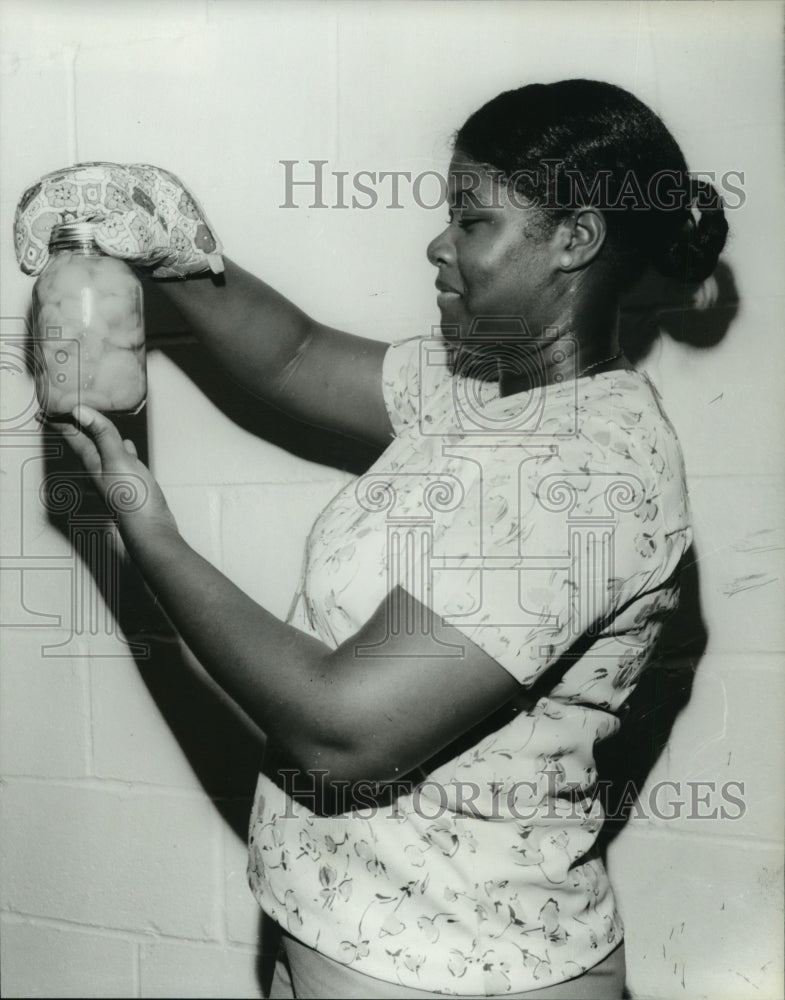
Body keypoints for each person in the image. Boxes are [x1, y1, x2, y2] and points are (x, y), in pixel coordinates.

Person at [17, 80, 728, 999]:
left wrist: (144, 526)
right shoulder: (486, 381)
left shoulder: (590, 470)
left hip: (457, 970)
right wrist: (163, 250)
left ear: (575, 240)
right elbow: (294, 356)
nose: (438, 243)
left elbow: (338, 728)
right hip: (345, 942)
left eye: (471, 221)